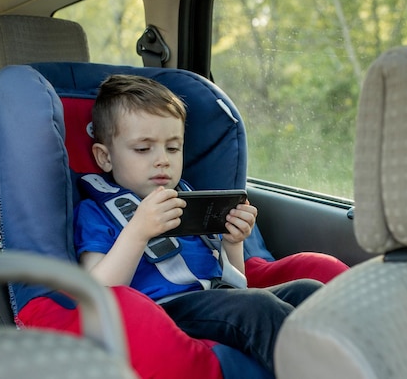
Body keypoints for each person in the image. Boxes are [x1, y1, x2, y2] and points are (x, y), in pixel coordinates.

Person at [73, 74, 322, 374]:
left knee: (310, 291)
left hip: (215, 299)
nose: (162, 160)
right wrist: (137, 232)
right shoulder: (95, 212)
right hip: (165, 310)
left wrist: (232, 242)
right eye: (143, 149)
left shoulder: (188, 199)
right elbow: (97, 291)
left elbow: (232, 283)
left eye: (173, 148)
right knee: (258, 307)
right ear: (105, 157)